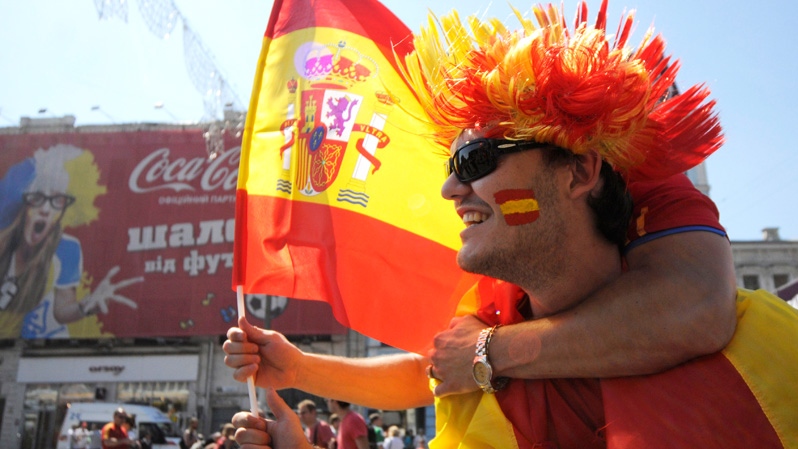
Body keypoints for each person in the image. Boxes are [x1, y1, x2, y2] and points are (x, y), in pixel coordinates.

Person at [230, 2, 798, 447]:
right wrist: (301, 370)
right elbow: (437, 368)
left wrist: (488, 355)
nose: (451, 190)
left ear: (580, 171)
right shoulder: (494, 312)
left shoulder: (768, 369)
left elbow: (695, 306)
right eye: (452, 167)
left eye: (476, 162)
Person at [0, 144, 142, 338]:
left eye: (57, 201)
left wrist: (86, 307)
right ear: (24, 203)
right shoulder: (4, 235)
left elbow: (62, 311)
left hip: (12, 349)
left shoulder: (67, 249)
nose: (46, 209)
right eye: (38, 198)